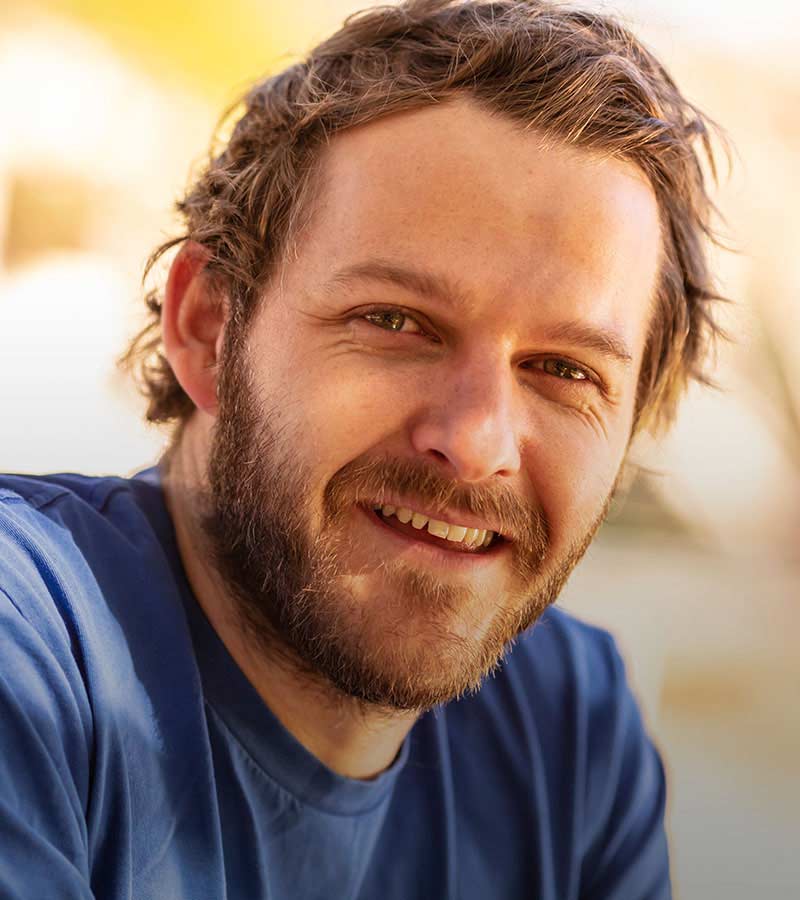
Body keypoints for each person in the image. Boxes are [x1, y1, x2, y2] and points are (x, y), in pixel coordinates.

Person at [0, 1, 724, 897]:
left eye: (563, 370)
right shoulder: (30, 651)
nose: (474, 441)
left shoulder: (568, 729)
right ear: (208, 324)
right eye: (394, 321)